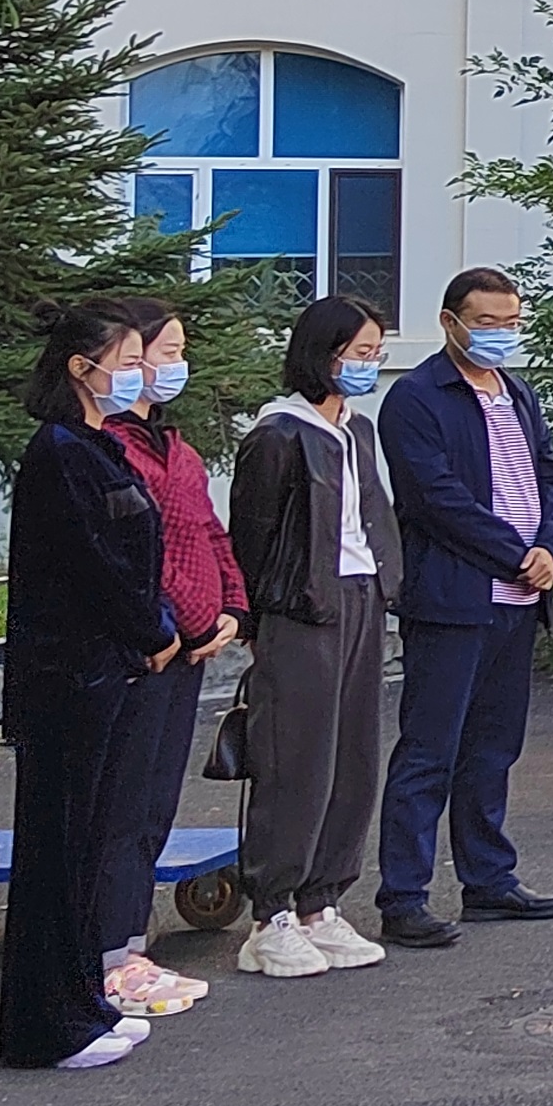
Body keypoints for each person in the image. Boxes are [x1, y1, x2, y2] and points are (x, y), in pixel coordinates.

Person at [0, 300, 178, 1071]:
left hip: (104, 671)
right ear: (82, 368)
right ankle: (45, 1026)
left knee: (87, 848)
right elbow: (95, 565)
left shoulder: (99, 446)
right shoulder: (60, 451)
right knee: (56, 854)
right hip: (67, 678)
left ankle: (83, 1002)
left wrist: (153, 623)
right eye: (128, 362)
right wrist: (153, 630)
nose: (140, 374)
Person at [377, 267, 553, 945]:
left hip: (518, 598)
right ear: (450, 322)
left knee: (493, 747)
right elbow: (435, 499)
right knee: (429, 750)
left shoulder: (517, 392)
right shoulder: (416, 398)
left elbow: (551, 475)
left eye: (510, 323)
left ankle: (488, 880)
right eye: (486, 323)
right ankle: (403, 896)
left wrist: (549, 547)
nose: (500, 335)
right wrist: (515, 553)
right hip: (453, 599)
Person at [229, 296, 404, 983]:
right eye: (359, 352)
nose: (370, 364)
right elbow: (252, 534)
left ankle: (320, 901)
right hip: (301, 608)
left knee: (354, 756)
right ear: (322, 353)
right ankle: (270, 912)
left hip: (361, 597)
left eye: (375, 352)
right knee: (295, 758)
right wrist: (254, 619)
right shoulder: (278, 434)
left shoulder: (355, 429)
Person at [95, 302, 241, 1015]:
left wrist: (232, 607)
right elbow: (134, 557)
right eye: (163, 351)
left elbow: (209, 533)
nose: (174, 365)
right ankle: (109, 956)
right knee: (119, 810)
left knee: (155, 806)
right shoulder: (106, 448)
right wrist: (180, 622)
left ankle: (132, 948)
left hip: (188, 652)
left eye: (181, 351)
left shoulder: (176, 449)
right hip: (145, 652)